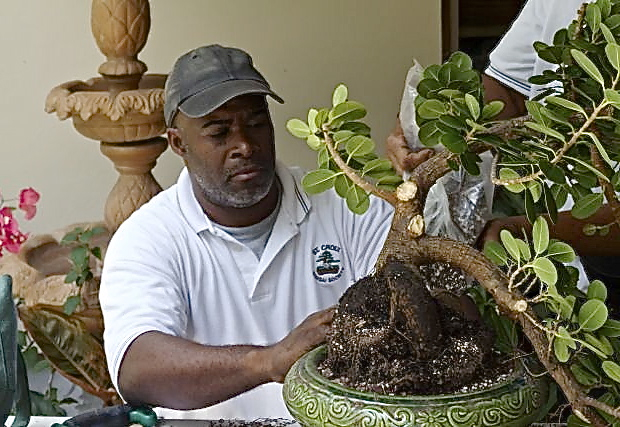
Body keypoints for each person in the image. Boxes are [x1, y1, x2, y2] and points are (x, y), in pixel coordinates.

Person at [99, 44, 398, 421]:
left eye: (257, 123)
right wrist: (269, 361)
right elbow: (137, 368)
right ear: (178, 143)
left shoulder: (347, 203)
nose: (245, 145)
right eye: (219, 132)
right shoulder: (148, 237)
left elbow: (418, 301)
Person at [387, 0, 620, 295]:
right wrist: (425, 121)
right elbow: (509, 93)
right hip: (572, 255)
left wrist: (521, 233)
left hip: (583, 239)